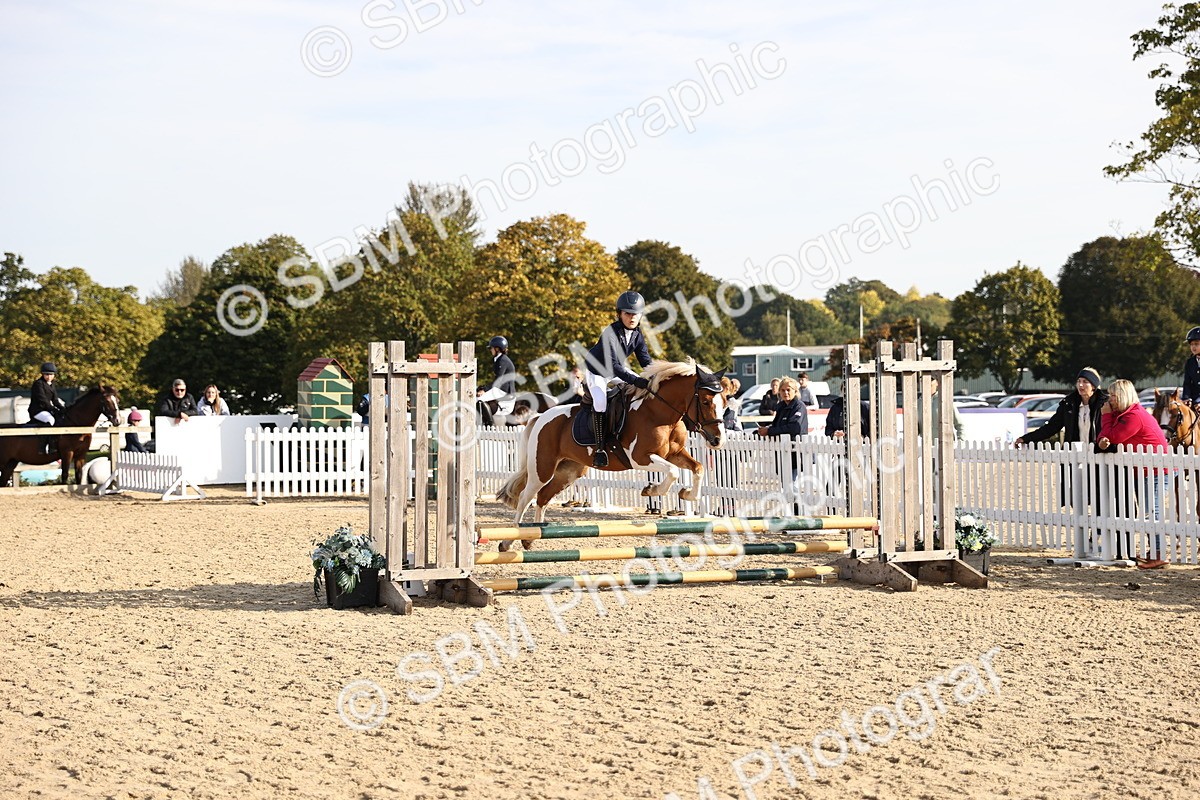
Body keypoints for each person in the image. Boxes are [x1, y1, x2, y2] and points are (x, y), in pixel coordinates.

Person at [1096, 379, 1170, 568]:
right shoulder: (1125, 414)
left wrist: (1105, 416)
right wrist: (1107, 427)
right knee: (1148, 511)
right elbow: (1103, 438)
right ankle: (1154, 552)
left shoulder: (1134, 416)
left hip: (1154, 470)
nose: (1110, 399)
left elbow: (1113, 437)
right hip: (1144, 469)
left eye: (1113, 395)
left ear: (1123, 396)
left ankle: (1159, 554)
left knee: (1151, 512)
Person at [584, 291, 652, 467]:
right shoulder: (610, 332)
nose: (631, 317)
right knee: (600, 402)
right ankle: (599, 449)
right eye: (627, 313)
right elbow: (614, 365)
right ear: (620, 314)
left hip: (615, 371)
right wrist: (635, 380)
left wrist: (656, 376)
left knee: (645, 389)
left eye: (635, 314)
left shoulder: (637, 334)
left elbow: (645, 361)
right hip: (596, 371)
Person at [1014, 368, 1107, 448]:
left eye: (1085, 382)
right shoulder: (1068, 404)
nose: (1080, 385)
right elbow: (1051, 427)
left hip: (1098, 456)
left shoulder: (1105, 404)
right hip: (1074, 456)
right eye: (1079, 381)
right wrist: (1026, 438)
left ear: (1093, 386)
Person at [28, 361, 65, 455]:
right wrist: (53, 409)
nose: (49, 377)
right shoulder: (38, 384)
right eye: (47, 374)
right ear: (43, 374)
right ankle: (43, 446)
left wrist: (63, 409)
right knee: (50, 420)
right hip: (37, 411)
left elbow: (55, 400)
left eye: (51, 374)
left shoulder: (52, 385)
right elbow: (42, 400)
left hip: (46, 409)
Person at [1183, 326, 1200, 406]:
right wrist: (1186, 398)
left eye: (1196, 344)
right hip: (1194, 399)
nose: (1193, 347)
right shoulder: (1190, 362)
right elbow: (1187, 383)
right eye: (1191, 344)